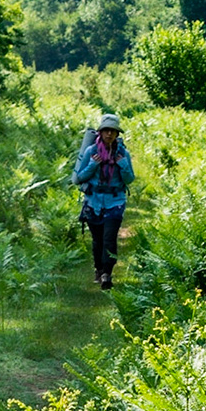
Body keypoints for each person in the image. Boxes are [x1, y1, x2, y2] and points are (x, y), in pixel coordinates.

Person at [73, 113, 135, 289]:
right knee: (97, 240)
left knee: (109, 239)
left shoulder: (123, 153)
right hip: (93, 202)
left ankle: (107, 273)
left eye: (113, 131)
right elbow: (78, 178)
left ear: (117, 134)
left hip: (115, 202)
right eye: (106, 130)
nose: (109, 134)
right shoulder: (91, 151)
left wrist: (122, 165)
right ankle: (98, 269)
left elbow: (129, 179)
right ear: (100, 132)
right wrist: (93, 165)